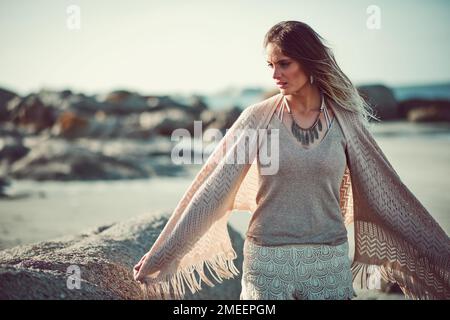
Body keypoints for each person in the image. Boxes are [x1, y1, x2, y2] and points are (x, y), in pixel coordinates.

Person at [133, 21, 450, 300]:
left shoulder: (346, 120)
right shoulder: (257, 118)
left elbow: (388, 195)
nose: (276, 75)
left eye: (284, 64)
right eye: (270, 66)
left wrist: (442, 257)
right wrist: (162, 254)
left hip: (327, 263)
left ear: (310, 63)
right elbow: (212, 192)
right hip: (267, 264)